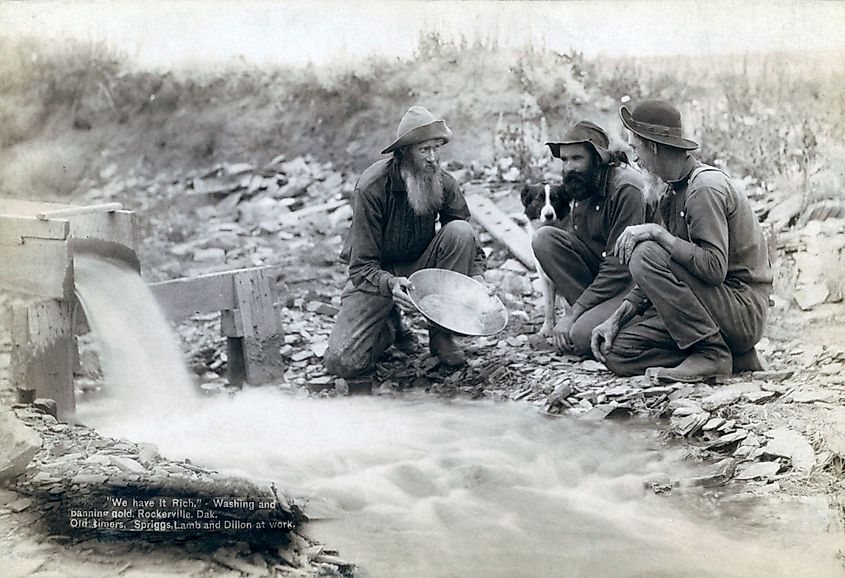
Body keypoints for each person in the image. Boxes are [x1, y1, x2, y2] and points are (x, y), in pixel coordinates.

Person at [591, 99, 772, 382]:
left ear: (653, 146)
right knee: (617, 352)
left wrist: (657, 233)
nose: (633, 158)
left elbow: (713, 269)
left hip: (740, 310)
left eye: (635, 147)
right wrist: (616, 319)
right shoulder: (671, 190)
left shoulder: (704, 188)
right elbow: (663, 271)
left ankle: (711, 354)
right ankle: (734, 356)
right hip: (710, 310)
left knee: (644, 252)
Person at [324, 106, 487, 378]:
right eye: (424, 150)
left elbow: (466, 234)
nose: (433, 158)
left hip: (422, 268)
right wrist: (389, 285)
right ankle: (391, 327)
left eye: (437, 148)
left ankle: (441, 334)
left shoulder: (443, 182)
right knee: (344, 362)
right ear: (403, 153)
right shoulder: (371, 187)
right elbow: (361, 265)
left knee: (459, 231)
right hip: (376, 276)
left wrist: (478, 278)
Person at [531, 121, 646, 355]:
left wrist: (573, 314)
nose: (569, 167)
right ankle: (591, 317)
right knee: (545, 239)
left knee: (582, 337)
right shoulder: (582, 185)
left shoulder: (626, 188)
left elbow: (619, 268)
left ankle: (629, 324)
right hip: (602, 281)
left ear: (598, 158)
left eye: (577, 158)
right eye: (564, 160)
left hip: (632, 287)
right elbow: (580, 247)